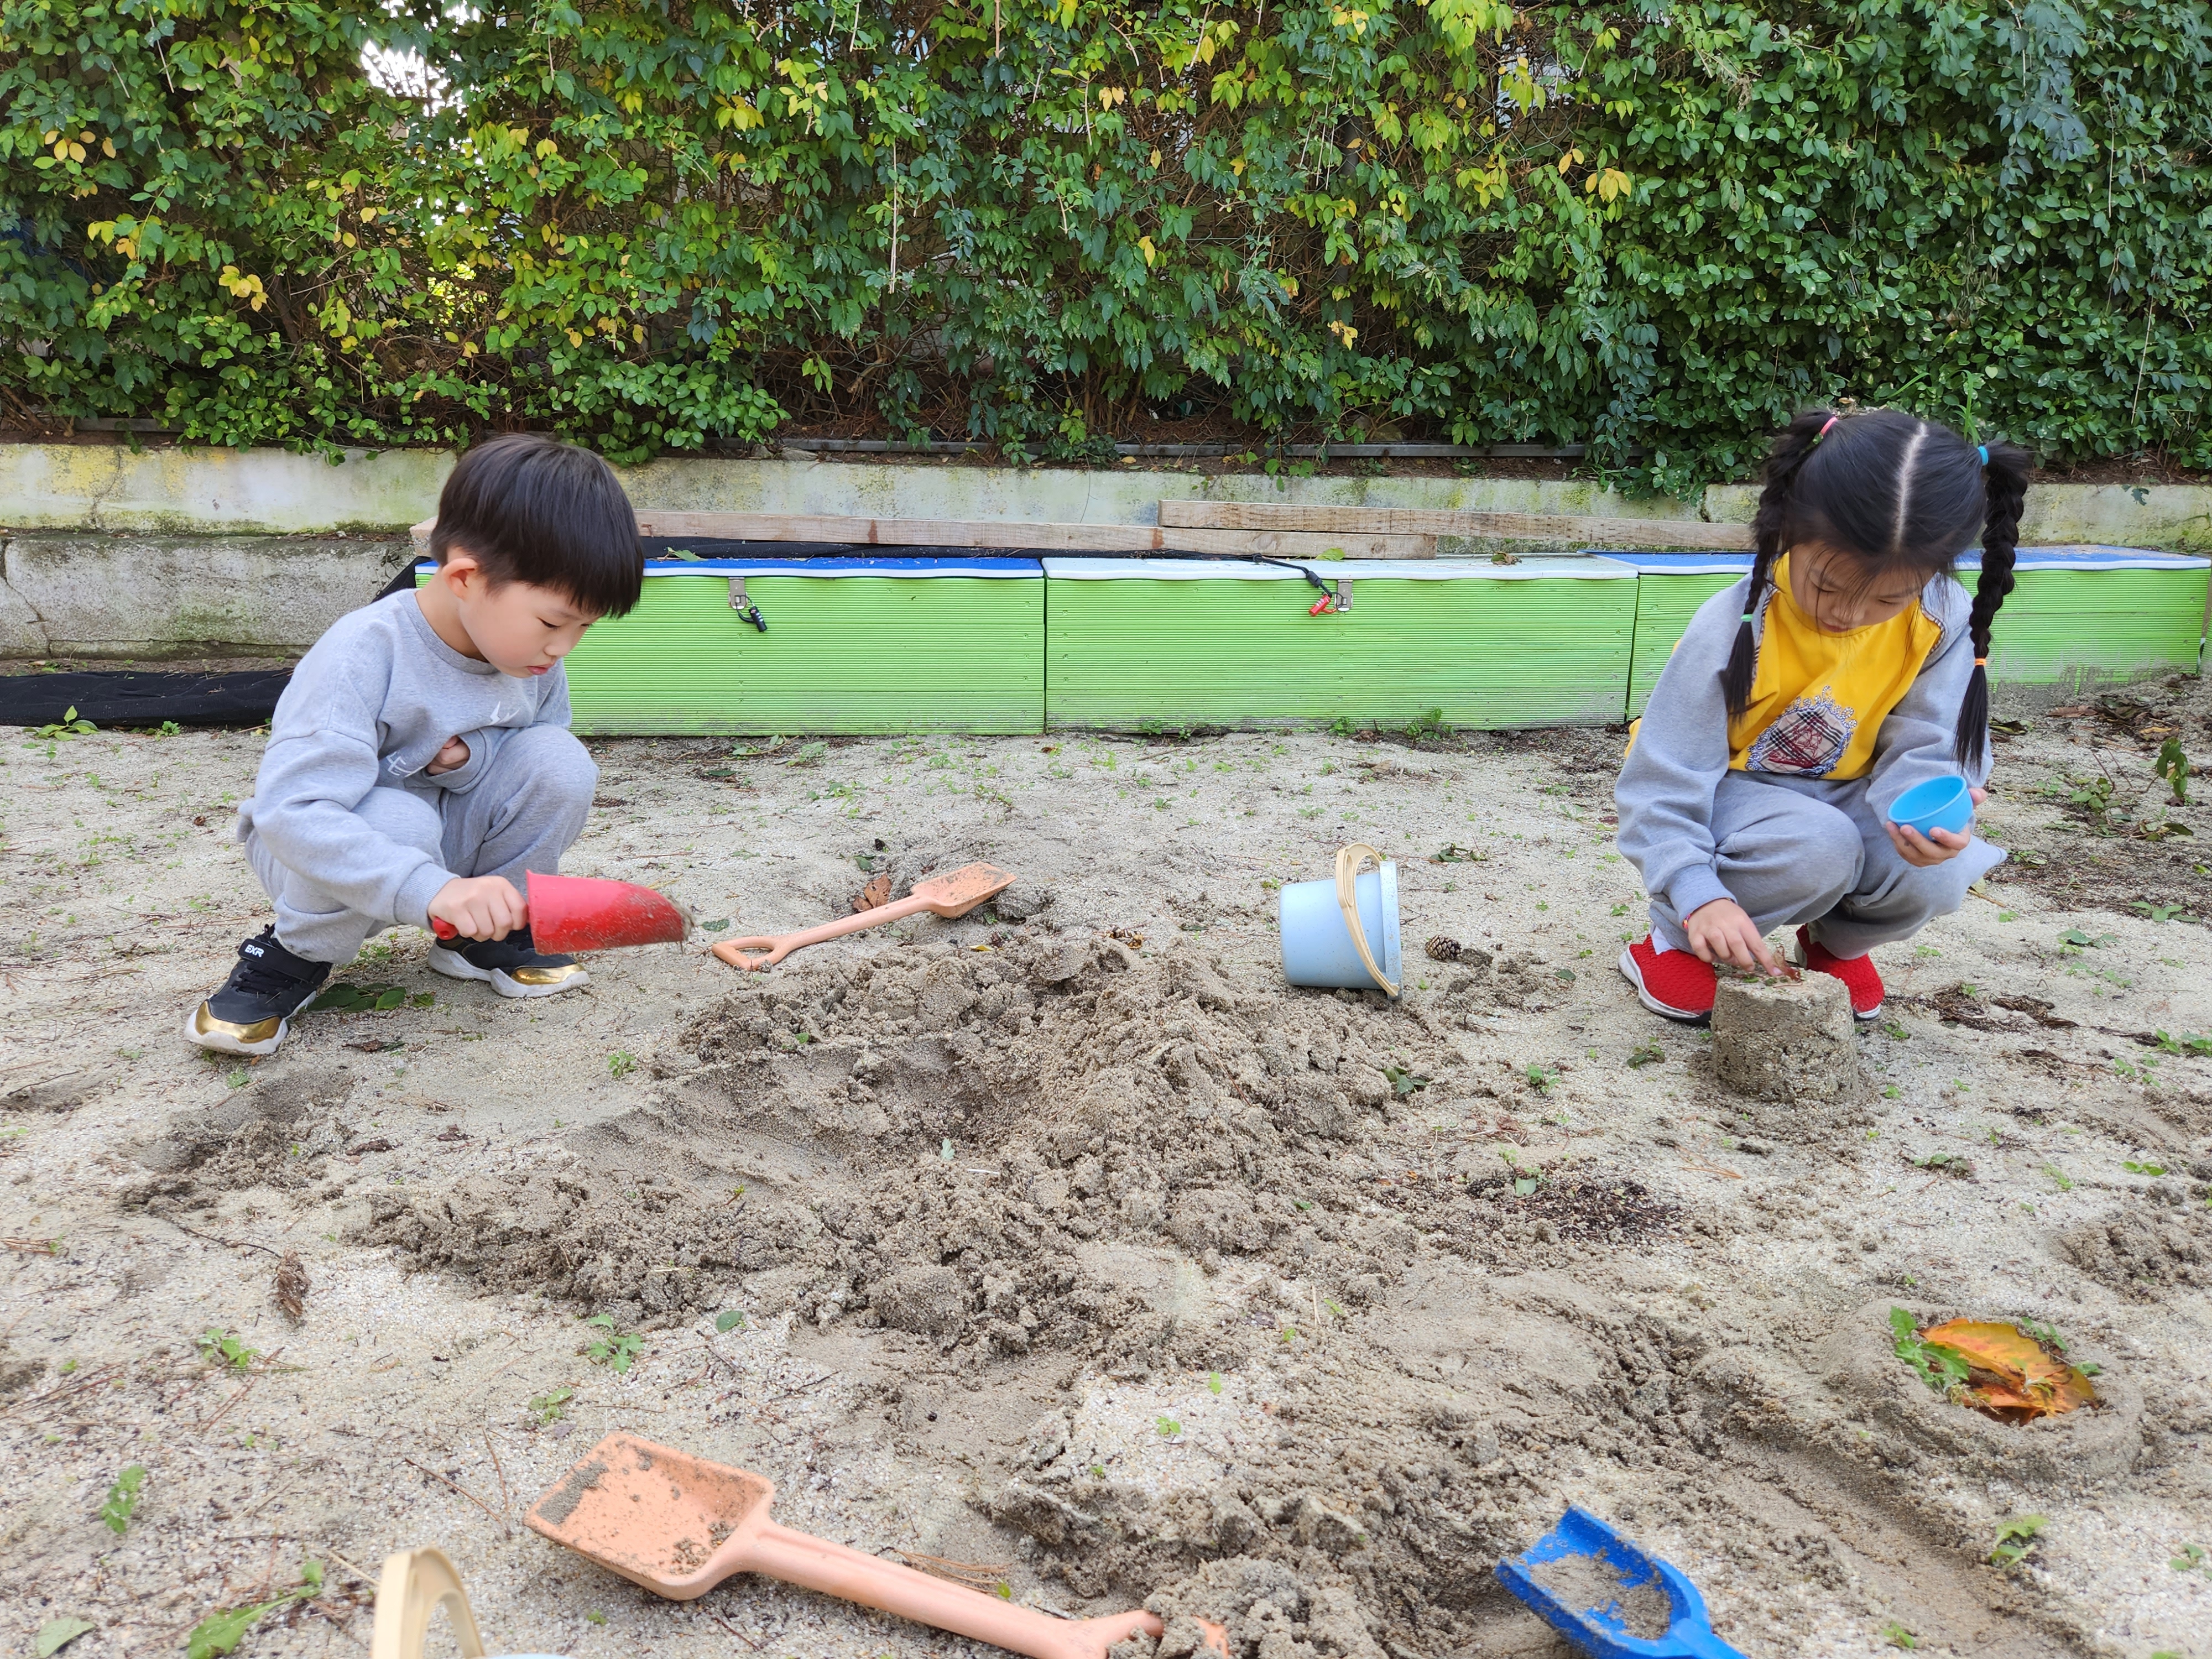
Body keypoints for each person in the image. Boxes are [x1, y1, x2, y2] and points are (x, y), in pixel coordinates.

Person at [186, 434, 642, 1056]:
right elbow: (294, 812)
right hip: (321, 852)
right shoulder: (363, 653)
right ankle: (292, 956)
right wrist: (431, 887)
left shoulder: (528, 657)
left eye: (583, 628)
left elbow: (526, 750)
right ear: (464, 578)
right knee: (399, 817)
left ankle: (484, 934)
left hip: (437, 843)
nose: (565, 647)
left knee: (558, 762)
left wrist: (471, 760)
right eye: (554, 623)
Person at [1615, 407, 2028, 1022]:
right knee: (1818, 845)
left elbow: (1926, 746)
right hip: (1733, 797)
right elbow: (1662, 782)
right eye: (1826, 586)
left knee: (1940, 871)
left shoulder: (1941, 619)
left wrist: (1930, 811)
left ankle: (1835, 945)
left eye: (1889, 598)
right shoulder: (1735, 625)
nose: (1850, 615)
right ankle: (1672, 940)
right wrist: (1697, 893)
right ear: (1787, 531)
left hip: (1845, 792)